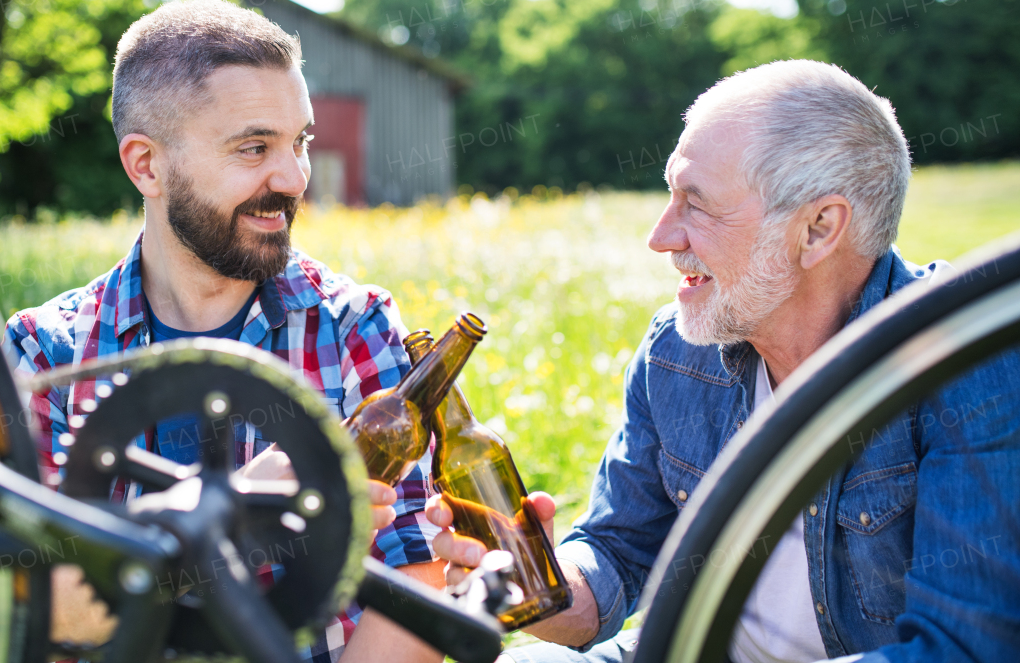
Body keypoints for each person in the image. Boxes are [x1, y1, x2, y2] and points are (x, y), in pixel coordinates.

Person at [428, 60, 1020, 662]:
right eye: (669, 195)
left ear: (817, 228)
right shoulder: (677, 353)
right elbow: (615, 552)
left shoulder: (966, 364)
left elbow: (962, 652)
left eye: (696, 204)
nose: (661, 237)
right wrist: (538, 584)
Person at [0, 0, 445, 663]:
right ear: (146, 166)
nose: (294, 177)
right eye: (254, 148)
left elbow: (418, 585)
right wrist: (238, 514)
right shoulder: (45, 352)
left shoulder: (354, 327)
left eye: (299, 141)